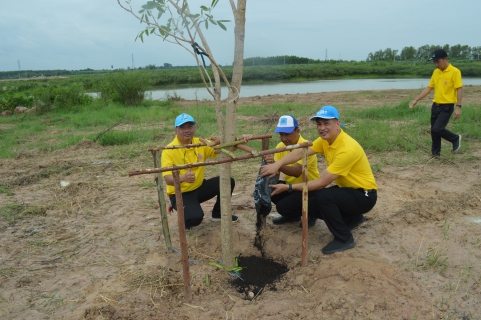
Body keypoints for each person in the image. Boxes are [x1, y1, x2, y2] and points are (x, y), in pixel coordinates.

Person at [260, 106, 378, 254]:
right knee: (316, 200)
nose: (322, 128)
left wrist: (288, 188)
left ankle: (344, 238)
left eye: (326, 123)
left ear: (337, 124)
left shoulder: (347, 148)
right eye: (319, 124)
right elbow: (301, 153)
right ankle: (351, 219)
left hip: (365, 195)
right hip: (347, 190)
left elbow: (322, 182)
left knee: (324, 196)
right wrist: (277, 164)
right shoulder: (325, 141)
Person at [161, 113, 238, 230]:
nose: (187, 130)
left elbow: (224, 150)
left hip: (199, 187)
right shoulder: (169, 150)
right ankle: (186, 219)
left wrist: (237, 142)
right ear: (176, 131)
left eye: (190, 126)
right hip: (180, 194)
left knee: (227, 181)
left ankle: (217, 214)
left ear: (195, 128)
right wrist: (183, 178)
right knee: (195, 218)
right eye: (182, 127)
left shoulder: (200, 143)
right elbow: (168, 180)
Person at [266, 115, 320, 227]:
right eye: (281, 134)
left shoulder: (306, 146)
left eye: (287, 134)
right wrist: (270, 167)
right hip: (292, 186)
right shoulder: (280, 146)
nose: (284, 138)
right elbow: (276, 173)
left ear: (297, 131)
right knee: (269, 187)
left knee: (283, 207)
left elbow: (297, 172)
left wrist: (277, 165)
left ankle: (312, 213)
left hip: (310, 188)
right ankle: (293, 215)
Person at [409, 49, 463, 157]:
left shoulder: (455, 71)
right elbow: (429, 88)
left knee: (437, 128)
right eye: (434, 62)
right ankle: (435, 154)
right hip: (435, 106)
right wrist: (416, 99)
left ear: (445, 59)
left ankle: (455, 138)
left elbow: (459, 89)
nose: (436, 64)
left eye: (438, 62)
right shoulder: (436, 72)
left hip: (447, 106)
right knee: (434, 132)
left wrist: (458, 107)